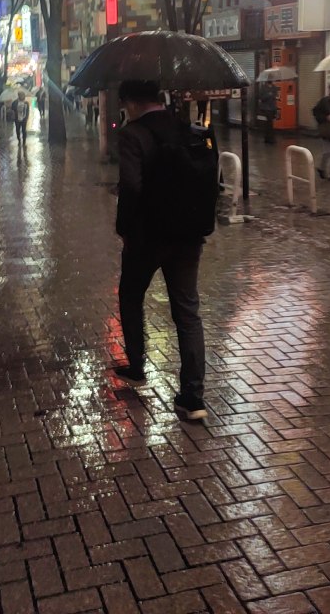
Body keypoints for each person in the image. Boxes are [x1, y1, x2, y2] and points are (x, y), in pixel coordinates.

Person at [114, 79, 216, 421]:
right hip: (188, 234)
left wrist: (124, 228)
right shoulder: (186, 128)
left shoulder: (132, 134)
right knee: (187, 311)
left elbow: (131, 186)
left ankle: (137, 366)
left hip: (148, 236)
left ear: (131, 102)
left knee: (131, 295)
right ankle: (193, 397)